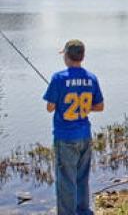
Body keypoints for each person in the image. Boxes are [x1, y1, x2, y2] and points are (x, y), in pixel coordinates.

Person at [43, 40, 104, 215]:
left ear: (67, 56)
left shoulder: (58, 78)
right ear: (82, 56)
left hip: (65, 137)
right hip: (85, 135)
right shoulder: (91, 78)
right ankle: (83, 211)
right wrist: (83, 107)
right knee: (82, 177)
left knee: (65, 180)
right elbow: (100, 106)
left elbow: (49, 107)